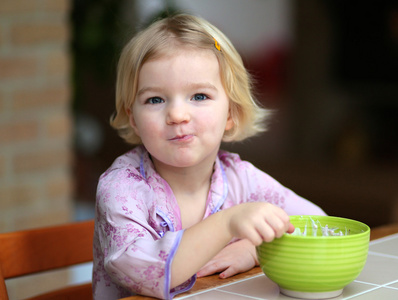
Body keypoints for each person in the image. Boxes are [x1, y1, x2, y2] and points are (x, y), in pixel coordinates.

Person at [92, 14, 326, 300]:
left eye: (199, 96)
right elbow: (139, 270)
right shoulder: (122, 187)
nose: (177, 115)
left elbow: (316, 224)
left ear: (231, 113)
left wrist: (254, 250)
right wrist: (228, 224)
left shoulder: (241, 178)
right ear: (134, 119)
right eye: (155, 100)